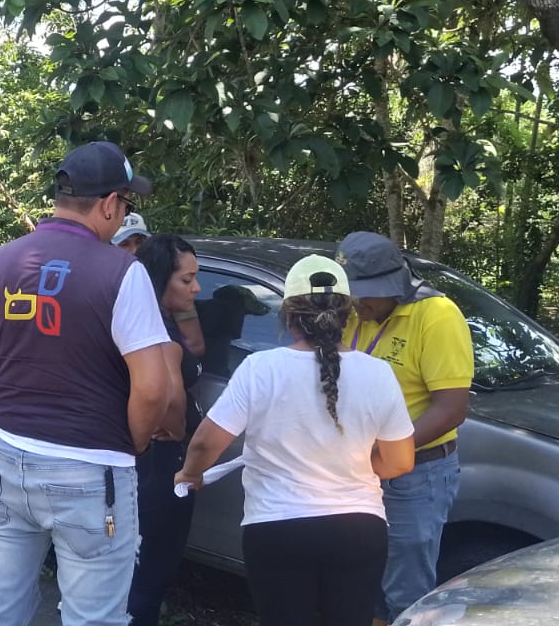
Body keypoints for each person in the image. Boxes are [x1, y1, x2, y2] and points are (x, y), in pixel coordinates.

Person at [0, 140, 176, 626]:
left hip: (7, 458)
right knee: (93, 618)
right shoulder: (123, 272)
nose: (123, 213)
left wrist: (9, 408)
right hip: (92, 469)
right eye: (126, 202)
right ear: (109, 204)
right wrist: (131, 441)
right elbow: (154, 388)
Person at [176, 255, 415, 626]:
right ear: (348, 314)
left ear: (288, 316)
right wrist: (349, 466)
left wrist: (190, 474)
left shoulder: (261, 368)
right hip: (360, 528)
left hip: (278, 527)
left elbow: (207, 441)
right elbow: (400, 462)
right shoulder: (379, 373)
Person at [334, 232, 474, 624]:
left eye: (367, 294)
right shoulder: (352, 312)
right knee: (358, 581)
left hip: (414, 473)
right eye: (352, 293)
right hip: (355, 470)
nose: (358, 303)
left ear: (394, 284)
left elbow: (450, 409)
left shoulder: (437, 315)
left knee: (404, 593)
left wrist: (384, 453)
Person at [126, 234, 202, 626]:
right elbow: (169, 397)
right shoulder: (160, 333)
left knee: (138, 571)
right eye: (186, 280)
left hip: (147, 465)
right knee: (149, 573)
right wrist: (175, 426)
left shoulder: (144, 319)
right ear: (159, 280)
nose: (196, 287)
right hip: (160, 465)